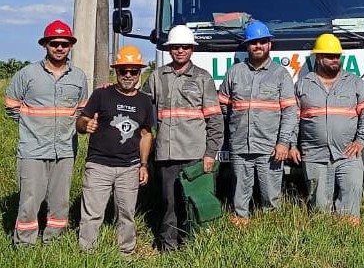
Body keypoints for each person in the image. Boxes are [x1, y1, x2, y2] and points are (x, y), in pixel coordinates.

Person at [4, 20, 88, 247]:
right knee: (29, 201)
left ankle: (54, 242)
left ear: (70, 46)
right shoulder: (27, 74)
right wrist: (31, 127)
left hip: (65, 149)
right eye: (54, 43)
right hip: (32, 149)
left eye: (64, 44)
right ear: (45, 45)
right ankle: (24, 245)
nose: (59, 48)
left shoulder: (79, 77)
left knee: (60, 201)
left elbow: (81, 111)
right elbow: (11, 107)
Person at [141, 25, 223, 251]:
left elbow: (215, 120)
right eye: (175, 47)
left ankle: (195, 246)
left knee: (195, 203)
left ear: (192, 50)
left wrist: (210, 153)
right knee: (169, 204)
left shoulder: (203, 78)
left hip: (195, 155)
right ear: (169, 50)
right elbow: (141, 107)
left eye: (185, 47)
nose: (180, 51)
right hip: (166, 154)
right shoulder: (157, 77)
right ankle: (169, 248)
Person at [76, 45, 154, 255]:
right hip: (98, 166)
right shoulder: (101, 94)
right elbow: (82, 120)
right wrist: (85, 125)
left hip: (129, 168)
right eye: (123, 71)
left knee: (126, 215)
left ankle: (125, 254)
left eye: (133, 71)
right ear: (116, 71)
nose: (128, 75)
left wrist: (144, 164)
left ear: (140, 73)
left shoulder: (145, 101)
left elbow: (146, 134)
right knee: (92, 215)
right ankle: (87, 255)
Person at [289, 34, 364, 222]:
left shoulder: (354, 82)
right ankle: (324, 244)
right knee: (319, 209)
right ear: (319, 58)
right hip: (314, 155)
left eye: (337, 56)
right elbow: (292, 118)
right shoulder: (303, 84)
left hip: (348, 155)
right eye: (330, 56)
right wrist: (291, 145)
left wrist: (361, 140)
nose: (335, 60)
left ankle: (348, 241)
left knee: (350, 207)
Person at [218, 21, 297, 225]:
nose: (258, 46)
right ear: (247, 46)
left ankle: (270, 233)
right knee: (239, 195)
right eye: (254, 42)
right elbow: (223, 108)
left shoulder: (281, 74)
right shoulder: (234, 73)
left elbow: (290, 112)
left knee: (271, 195)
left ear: (269, 44)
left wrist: (283, 143)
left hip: (269, 148)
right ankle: (240, 228)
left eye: (262, 42)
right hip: (240, 146)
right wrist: (236, 128)